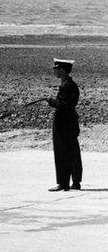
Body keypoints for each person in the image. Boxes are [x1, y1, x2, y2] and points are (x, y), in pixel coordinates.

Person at [45, 58, 82, 191]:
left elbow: (64, 105)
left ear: (62, 70)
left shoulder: (66, 86)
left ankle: (63, 183)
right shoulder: (70, 84)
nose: (55, 71)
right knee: (73, 152)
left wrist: (53, 102)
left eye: (57, 69)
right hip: (70, 122)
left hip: (63, 122)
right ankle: (75, 182)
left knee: (62, 152)